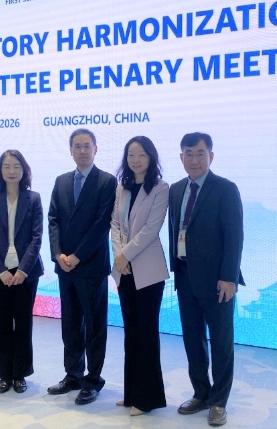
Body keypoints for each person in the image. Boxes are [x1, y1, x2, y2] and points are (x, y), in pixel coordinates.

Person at [168, 132, 244, 427]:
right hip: (185, 276)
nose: (194, 159)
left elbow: (234, 236)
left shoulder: (225, 189)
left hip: (217, 282)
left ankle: (219, 402)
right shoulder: (176, 190)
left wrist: (228, 278)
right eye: (188, 153)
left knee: (221, 342)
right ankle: (201, 393)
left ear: (210, 156)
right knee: (193, 340)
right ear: (181, 157)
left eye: (200, 153)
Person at [47, 128, 116, 405]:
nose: (83, 151)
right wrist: (58, 254)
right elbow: (53, 219)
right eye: (77, 146)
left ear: (96, 149)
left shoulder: (107, 181)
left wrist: (77, 256)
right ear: (71, 151)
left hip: (91, 266)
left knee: (95, 325)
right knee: (71, 324)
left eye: (87, 146)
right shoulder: (61, 181)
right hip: (65, 267)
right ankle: (73, 374)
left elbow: (102, 224)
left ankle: (93, 379)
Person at [110, 136, 169, 415]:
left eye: (141, 155)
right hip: (124, 270)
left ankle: (147, 399)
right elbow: (115, 224)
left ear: (151, 157)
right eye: (131, 155)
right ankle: (131, 393)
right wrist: (118, 256)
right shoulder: (121, 187)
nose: (135, 160)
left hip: (148, 270)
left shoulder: (160, 188)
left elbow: (151, 229)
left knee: (146, 333)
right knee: (131, 333)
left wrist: (125, 254)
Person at [0, 150, 44, 394]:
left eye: (16, 166)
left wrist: (23, 270)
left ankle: (20, 374)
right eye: (6, 166)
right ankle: (4, 375)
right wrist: (0, 271)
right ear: (0, 171)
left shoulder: (34, 198)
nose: (11, 171)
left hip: (26, 273)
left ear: (24, 170)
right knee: (2, 323)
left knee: (24, 322)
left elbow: (37, 237)